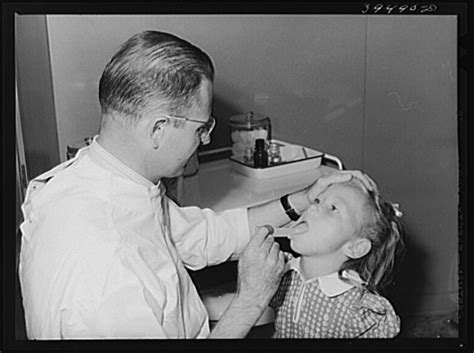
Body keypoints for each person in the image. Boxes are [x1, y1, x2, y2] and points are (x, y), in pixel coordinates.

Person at [18, 30, 377, 339]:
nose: (205, 140)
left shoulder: (104, 180)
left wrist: (301, 198)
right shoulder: (105, 269)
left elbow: (203, 236)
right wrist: (249, 301)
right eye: (200, 127)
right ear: (158, 128)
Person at [270, 177, 404, 338]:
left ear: (355, 247)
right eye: (318, 200)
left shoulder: (356, 309)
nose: (312, 207)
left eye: (333, 208)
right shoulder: (281, 271)